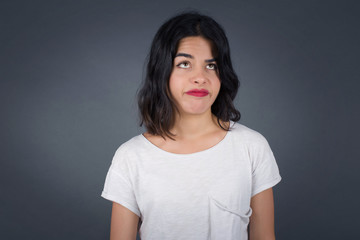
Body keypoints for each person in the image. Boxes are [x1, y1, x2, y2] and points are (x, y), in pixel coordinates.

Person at [101, 11, 281, 240]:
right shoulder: (131, 157)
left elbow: (264, 236)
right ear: (162, 72)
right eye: (184, 63)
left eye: (211, 65)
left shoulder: (251, 147)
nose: (200, 77)